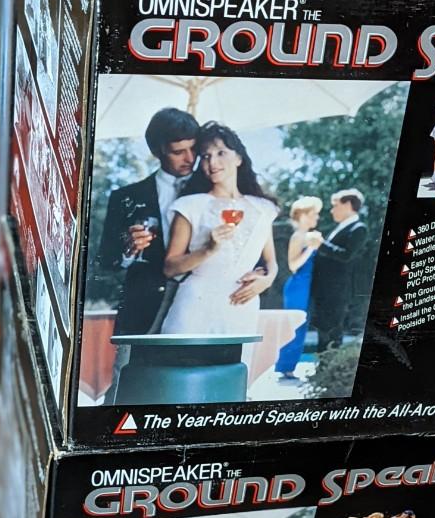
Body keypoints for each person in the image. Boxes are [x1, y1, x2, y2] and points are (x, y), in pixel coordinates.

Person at [94, 108, 199, 402]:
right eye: (178, 151)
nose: (190, 158)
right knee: (126, 391)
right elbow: (106, 261)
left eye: (194, 148)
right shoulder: (125, 197)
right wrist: (128, 249)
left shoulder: (214, 188)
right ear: (157, 151)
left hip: (197, 305)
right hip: (142, 308)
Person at [161, 122, 278, 336]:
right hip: (195, 306)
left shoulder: (264, 208)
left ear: (239, 158)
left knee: (238, 358)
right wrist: (208, 249)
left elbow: (271, 262)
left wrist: (267, 280)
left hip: (242, 308)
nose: (212, 162)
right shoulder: (189, 206)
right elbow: (170, 268)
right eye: (205, 156)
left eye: (221, 153)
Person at [311, 189, 369, 353]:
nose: (332, 210)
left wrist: (321, 244)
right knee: (323, 331)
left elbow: (346, 255)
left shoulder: (358, 228)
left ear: (348, 205)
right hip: (325, 290)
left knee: (332, 333)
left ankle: (329, 368)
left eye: (335, 205)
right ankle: (322, 367)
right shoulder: (339, 227)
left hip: (337, 291)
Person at [275, 196, 324, 382]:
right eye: (314, 214)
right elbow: (293, 265)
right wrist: (311, 248)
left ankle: (288, 367)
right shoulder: (298, 236)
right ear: (303, 215)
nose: (317, 217)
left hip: (306, 286)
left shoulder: (308, 235)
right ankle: (285, 367)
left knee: (301, 327)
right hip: (298, 286)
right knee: (295, 326)